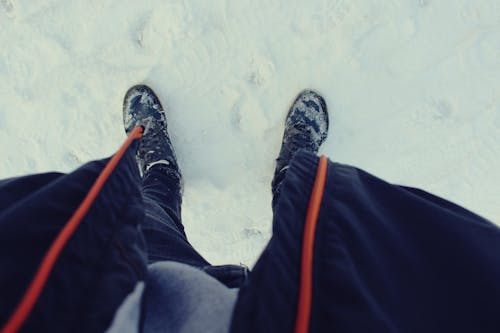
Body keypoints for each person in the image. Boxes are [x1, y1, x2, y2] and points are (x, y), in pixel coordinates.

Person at [1, 85, 499, 333]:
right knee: (309, 241)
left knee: (148, 219)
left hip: (139, 306)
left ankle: (160, 175)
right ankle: (293, 170)